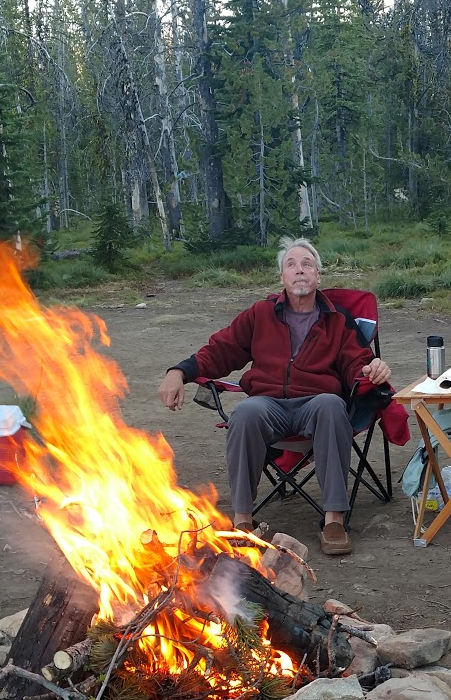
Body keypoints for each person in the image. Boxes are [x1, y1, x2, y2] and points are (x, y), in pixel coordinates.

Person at [158, 238, 391, 556]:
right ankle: (243, 521)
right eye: (291, 265)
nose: (299, 270)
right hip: (268, 404)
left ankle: (334, 519)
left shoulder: (337, 320)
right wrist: (179, 371)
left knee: (332, 405)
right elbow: (221, 350)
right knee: (245, 413)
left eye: (307, 264)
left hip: (315, 403)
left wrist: (371, 368)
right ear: (282, 277)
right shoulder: (260, 314)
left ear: (318, 276)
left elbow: (356, 362)